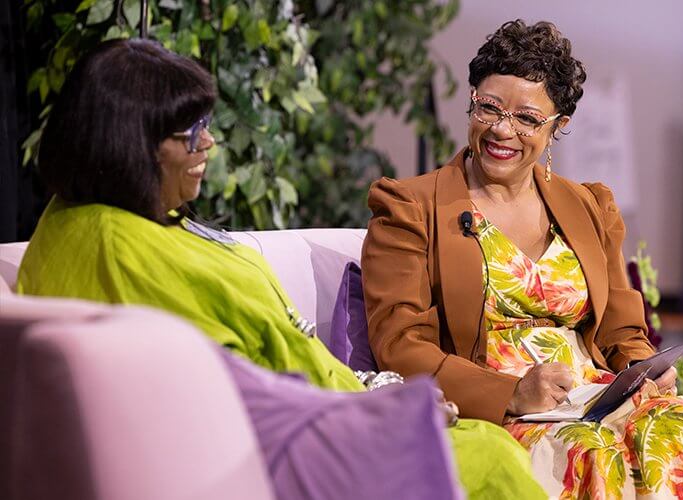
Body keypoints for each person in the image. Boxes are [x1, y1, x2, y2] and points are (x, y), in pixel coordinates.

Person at [16, 38, 546, 500]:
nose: (209, 143)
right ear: (126, 144)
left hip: (312, 408)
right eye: (190, 132)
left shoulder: (90, 219)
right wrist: (388, 409)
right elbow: (235, 385)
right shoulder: (118, 249)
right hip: (283, 441)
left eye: (206, 125)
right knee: (494, 455)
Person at [361, 20, 683, 498]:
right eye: (489, 108)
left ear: (559, 127)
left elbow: (620, 329)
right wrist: (509, 393)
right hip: (494, 408)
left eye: (527, 119)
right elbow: (400, 343)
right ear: (471, 99)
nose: (501, 130)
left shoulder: (589, 207)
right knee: (591, 451)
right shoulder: (409, 206)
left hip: (590, 395)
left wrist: (643, 370)